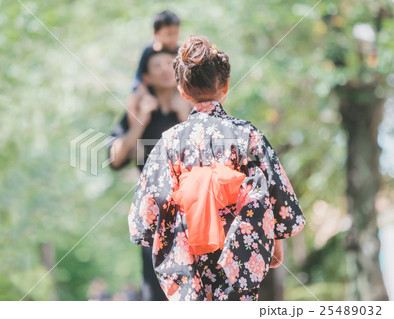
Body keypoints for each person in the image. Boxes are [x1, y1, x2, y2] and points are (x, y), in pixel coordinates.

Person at [128, 35, 307, 301]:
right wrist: (274, 242)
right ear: (225, 85)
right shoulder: (247, 135)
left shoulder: (170, 141)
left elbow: (146, 216)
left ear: (182, 90)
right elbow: (274, 197)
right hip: (240, 257)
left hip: (187, 263)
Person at [108, 47, 191, 300]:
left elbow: (215, 151)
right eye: (157, 66)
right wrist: (141, 117)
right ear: (145, 76)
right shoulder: (138, 110)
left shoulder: (195, 105)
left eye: (170, 63)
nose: (166, 69)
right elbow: (115, 158)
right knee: (156, 292)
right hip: (155, 215)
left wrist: (185, 115)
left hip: (196, 207)